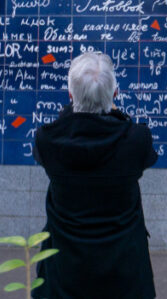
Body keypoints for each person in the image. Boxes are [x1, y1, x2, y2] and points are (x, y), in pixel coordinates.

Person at [32, 52, 158, 299]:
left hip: (63, 275)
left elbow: (67, 125)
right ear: (114, 95)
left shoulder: (48, 139)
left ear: (70, 96)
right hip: (125, 276)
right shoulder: (136, 139)